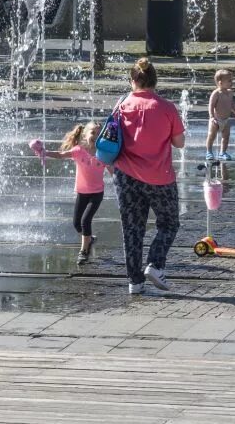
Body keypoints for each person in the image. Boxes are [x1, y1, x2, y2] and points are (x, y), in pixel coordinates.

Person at [113, 58, 185, 295]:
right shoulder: (166, 108)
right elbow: (180, 143)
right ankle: (155, 264)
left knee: (132, 228)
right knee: (169, 222)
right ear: (155, 80)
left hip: (126, 177)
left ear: (133, 80)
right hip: (159, 177)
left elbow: (111, 137)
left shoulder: (122, 104)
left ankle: (135, 283)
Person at [33, 122, 109, 265]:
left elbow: (113, 171)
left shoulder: (103, 154)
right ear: (85, 134)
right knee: (77, 224)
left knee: (85, 220)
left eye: (99, 134)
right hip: (82, 192)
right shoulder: (79, 150)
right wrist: (45, 152)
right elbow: (61, 155)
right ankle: (89, 239)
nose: (96, 136)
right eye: (93, 132)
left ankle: (84, 252)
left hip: (97, 193)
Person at [206, 68, 235, 161]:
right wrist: (212, 117)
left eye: (231, 80)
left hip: (225, 120)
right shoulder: (216, 93)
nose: (231, 82)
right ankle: (209, 152)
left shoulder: (230, 92)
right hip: (216, 120)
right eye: (229, 81)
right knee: (211, 136)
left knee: (226, 137)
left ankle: (223, 152)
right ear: (220, 82)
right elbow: (211, 105)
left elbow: (231, 103)